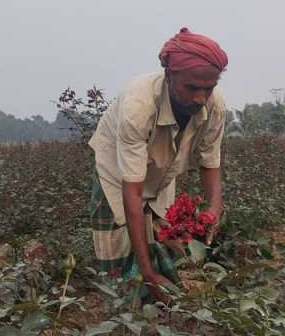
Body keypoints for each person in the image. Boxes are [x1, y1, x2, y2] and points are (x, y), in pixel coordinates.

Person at [88, 27, 228, 299]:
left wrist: (213, 209)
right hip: (117, 176)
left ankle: (164, 307)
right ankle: (125, 307)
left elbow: (210, 162)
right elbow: (133, 192)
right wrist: (147, 275)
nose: (200, 97)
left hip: (161, 173)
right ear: (169, 75)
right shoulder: (138, 106)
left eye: (208, 88)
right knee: (117, 254)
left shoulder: (214, 107)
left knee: (165, 243)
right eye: (191, 88)